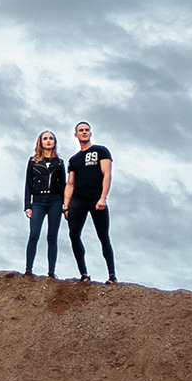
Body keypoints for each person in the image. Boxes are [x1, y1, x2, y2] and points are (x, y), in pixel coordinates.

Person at [62, 121, 117, 283]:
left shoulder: (101, 151)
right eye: (81, 130)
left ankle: (112, 275)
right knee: (73, 235)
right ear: (76, 135)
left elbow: (107, 174)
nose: (84, 132)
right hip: (78, 200)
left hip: (96, 199)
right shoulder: (74, 160)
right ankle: (84, 275)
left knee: (103, 236)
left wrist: (103, 197)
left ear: (90, 133)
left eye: (87, 130)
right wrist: (66, 207)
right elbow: (70, 184)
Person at [22, 129, 64, 276]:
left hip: (55, 201)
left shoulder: (59, 163)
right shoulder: (33, 161)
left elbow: (63, 185)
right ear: (40, 142)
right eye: (45, 138)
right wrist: (27, 205)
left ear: (54, 142)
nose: (48, 141)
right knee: (34, 234)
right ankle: (28, 270)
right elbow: (27, 184)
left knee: (52, 236)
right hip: (38, 201)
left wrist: (65, 206)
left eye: (51, 138)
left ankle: (51, 272)